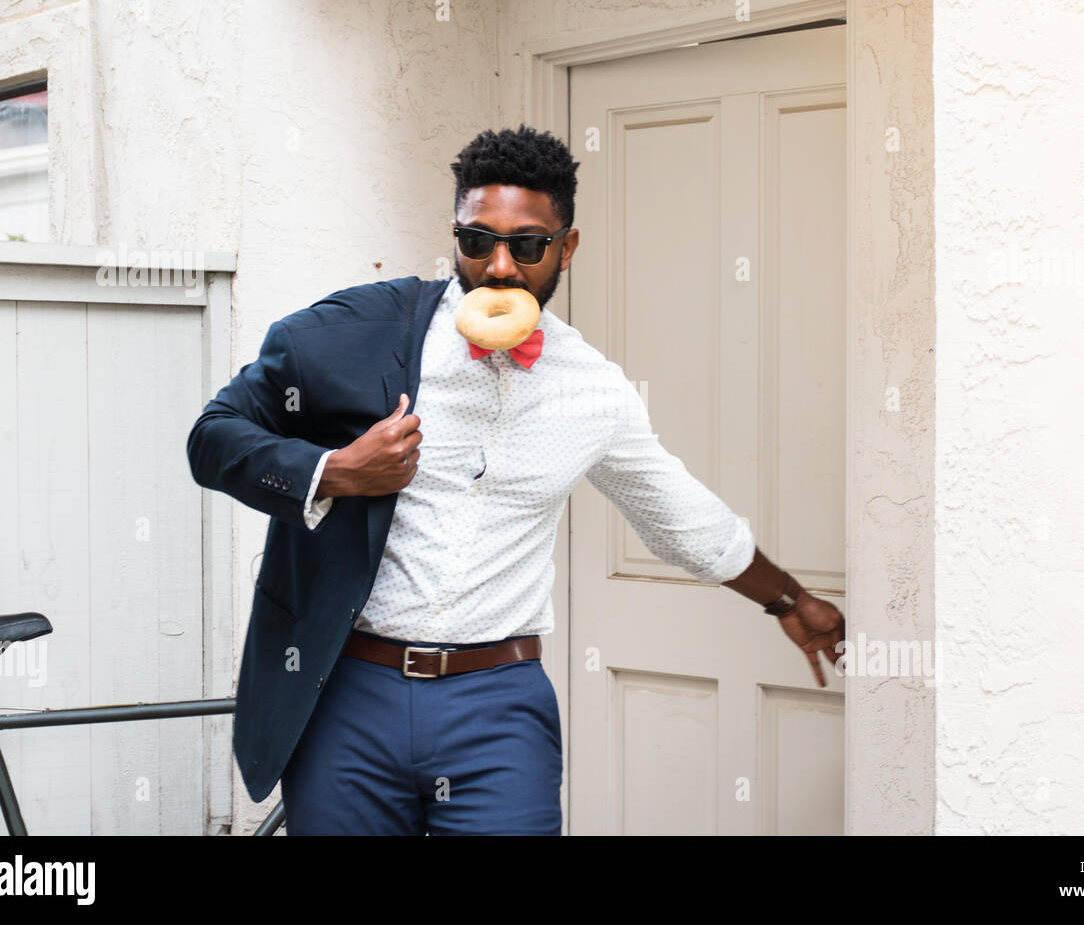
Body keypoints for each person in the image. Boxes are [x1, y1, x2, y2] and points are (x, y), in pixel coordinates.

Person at [187, 124, 845, 835]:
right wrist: (333, 471)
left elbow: (681, 517)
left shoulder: (594, 390)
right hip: (349, 693)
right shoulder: (351, 334)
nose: (499, 267)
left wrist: (789, 600)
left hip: (497, 707)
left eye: (527, 245)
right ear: (455, 237)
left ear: (567, 247)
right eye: (478, 242)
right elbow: (213, 438)